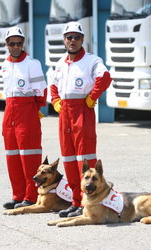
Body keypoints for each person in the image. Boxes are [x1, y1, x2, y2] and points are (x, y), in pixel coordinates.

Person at [49, 22, 112, 217]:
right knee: (68, 159)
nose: (72, 41)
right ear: (64, 40)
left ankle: (88, 203)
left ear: (82, 40)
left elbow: (105, 77)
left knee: (84, 160)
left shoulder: (92, 61)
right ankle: (76, 202)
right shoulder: (60, 63)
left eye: (76, 37)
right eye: (69, 37)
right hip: (65, 113)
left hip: (82, 111)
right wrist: (55, 100)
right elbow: (52, 83)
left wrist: (93, 96)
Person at [1, 26, 47, 210]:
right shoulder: (4, 65)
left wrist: (32, 111)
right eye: (12, 43)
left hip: (26, 112)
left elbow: (41, 93)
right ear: (6, 45)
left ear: (23, 44)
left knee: (29, 156)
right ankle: (17, 195)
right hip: (9, 112)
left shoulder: (32, 64)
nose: (16, 46)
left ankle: (31, 196)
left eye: (19, 43)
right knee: (12, 157)